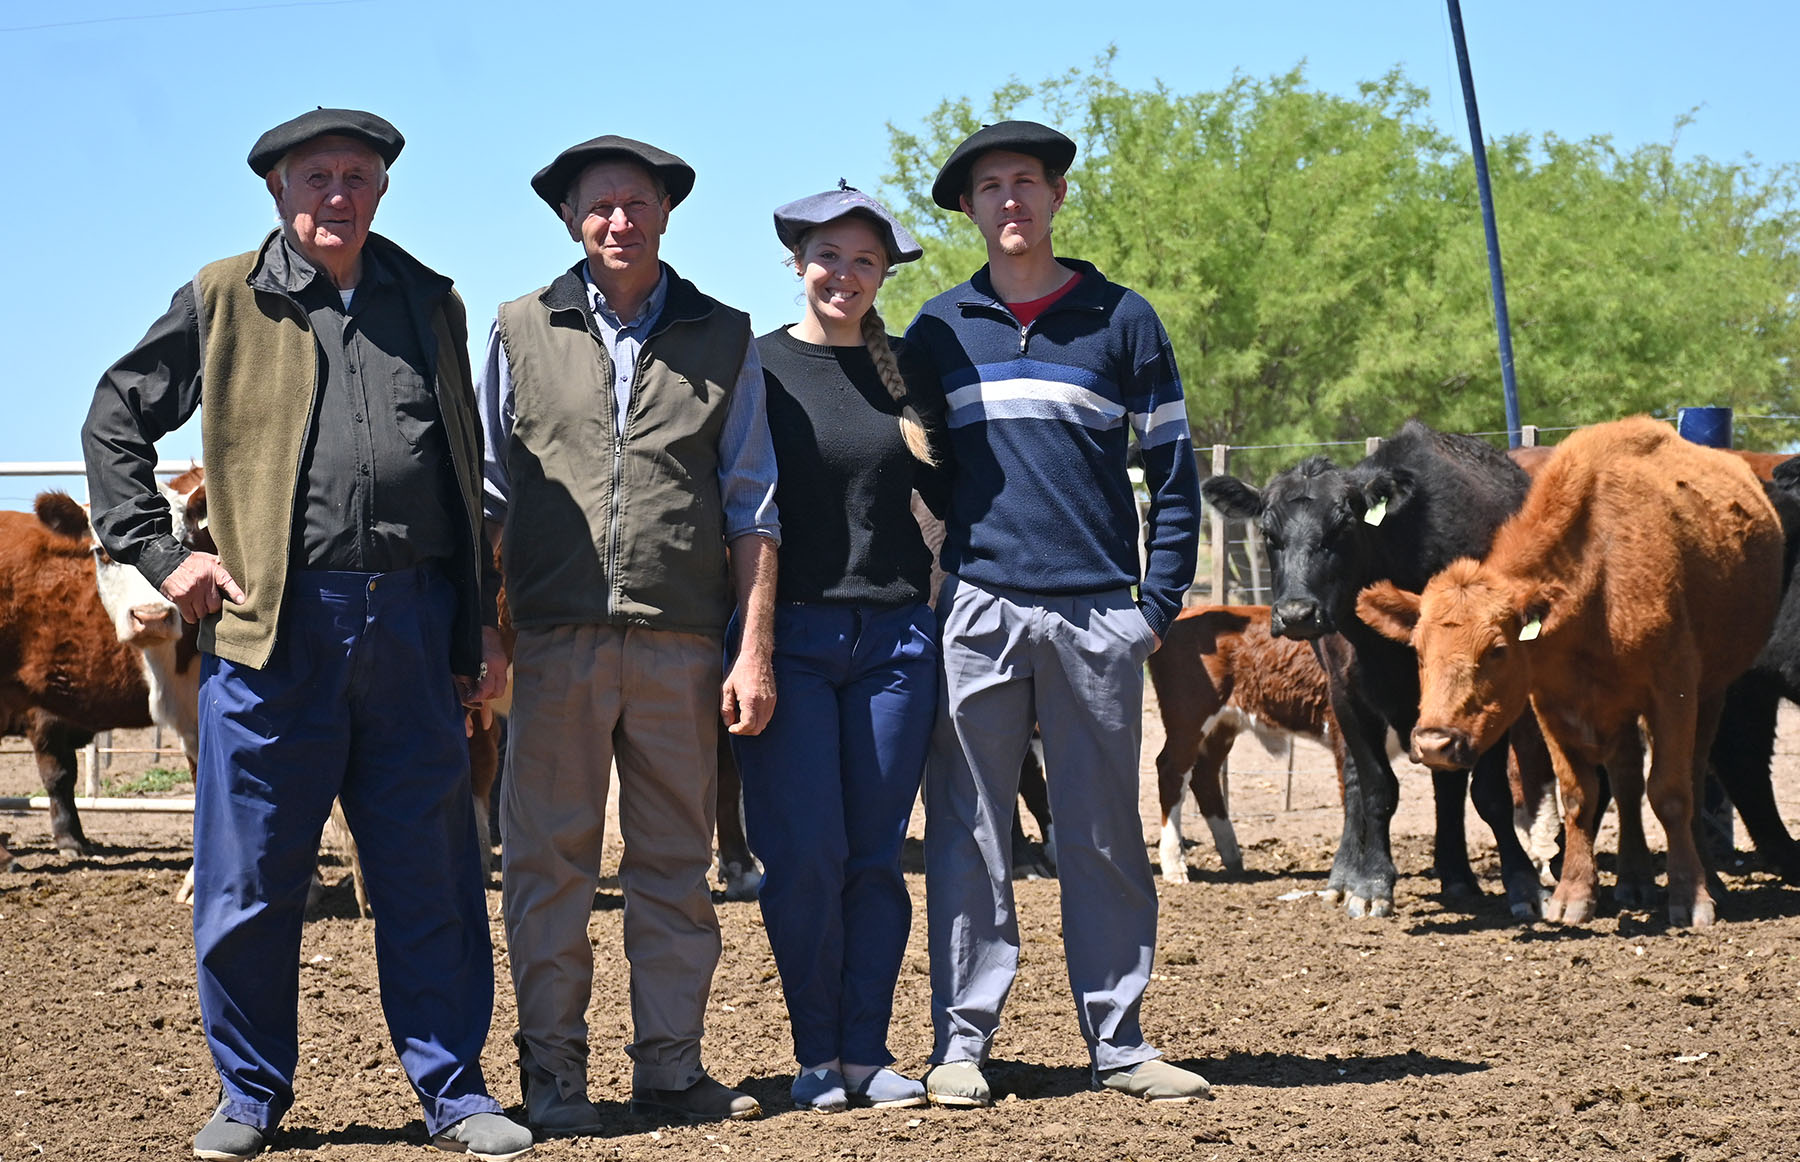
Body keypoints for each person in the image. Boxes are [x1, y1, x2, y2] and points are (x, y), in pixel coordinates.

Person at [82, 109, 530, 1161]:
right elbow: (115, 415)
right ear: (278, 190)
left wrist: (476, 627)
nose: (339, 192)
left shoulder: (429, 299)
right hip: (271, 627)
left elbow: (462, 472)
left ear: (382, 191)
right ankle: (249, 1092)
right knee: (248, 877)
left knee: (431, 872)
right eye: (317, 175)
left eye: (359, 176)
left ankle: (454, 1089)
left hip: (414, 624)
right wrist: (160, 552)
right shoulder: (225, 294)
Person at [900, 121, 1210, 1105]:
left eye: (1027, 181)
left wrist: (1152, 609)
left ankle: (1119, 1041)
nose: (1011, 200)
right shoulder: (937, 332)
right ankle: (960, 1044)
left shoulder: (1123, 321)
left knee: (1104, 834)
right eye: (989, 187)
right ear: (968, 210)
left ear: (1057, 196)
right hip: (981, 609)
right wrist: (940, 593)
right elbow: (917, 483)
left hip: (1095, 618)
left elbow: (1173, 473)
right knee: (969, 834)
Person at [476, 135, 780, 1134]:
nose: (618, 221)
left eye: (637, 203)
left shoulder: (723, 335)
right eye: (598, 206)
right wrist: (487, 627)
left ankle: (670, 1068)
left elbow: (753, 506)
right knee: (546, 866)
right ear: (571, 219)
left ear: (665, 213)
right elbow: (485, 492)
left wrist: (752, 647)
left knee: (673, 867)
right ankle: (553, 1076)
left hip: (680, 644)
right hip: (554, 642)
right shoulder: (519, 328)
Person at [729, 184, 945, 1112]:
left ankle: (868, 1051)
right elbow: (739, 507)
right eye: (828, 256)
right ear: (797, 261)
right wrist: (753, 644)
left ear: (884, 272)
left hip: (896, 641)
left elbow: (955, 501)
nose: (844, 275)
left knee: (875, 856)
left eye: (865, 260)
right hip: (795, 640)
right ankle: (815, 1053)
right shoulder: (757, 367)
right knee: (803, 855)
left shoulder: (910, 377)